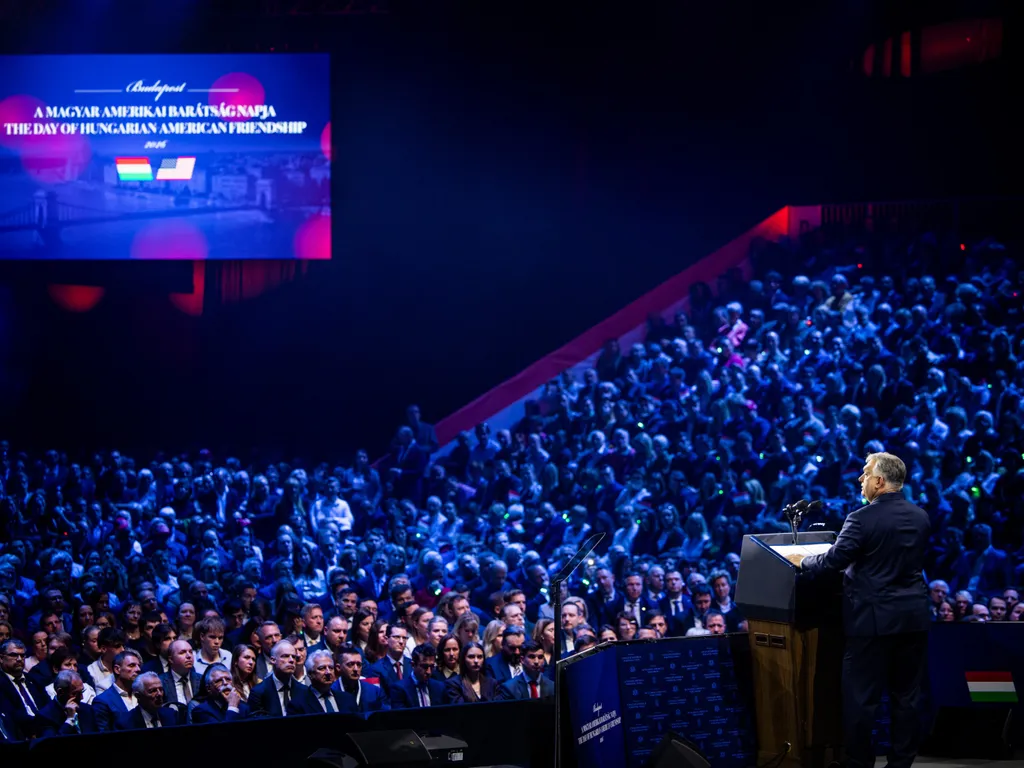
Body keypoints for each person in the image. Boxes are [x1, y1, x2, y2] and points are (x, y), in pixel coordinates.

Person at [794, 453, 930, 768]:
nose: (860, 478)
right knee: (906, 699)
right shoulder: (920, 516)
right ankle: (901, 763)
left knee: (860, 700)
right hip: (913, 618)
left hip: (872, 622)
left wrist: (803, 560)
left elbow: (833, 561)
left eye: (865, 473)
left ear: (880, 481)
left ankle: (858, 763)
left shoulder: (861, 518)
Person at [91, 649, 142, 731]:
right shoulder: (102, 701)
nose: (138, 669)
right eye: (132, 665)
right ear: (117, 669)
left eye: (138, 665)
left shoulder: (142, 694)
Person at [330, 645, 388, 714]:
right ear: (338, 667)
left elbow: (386, 715)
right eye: (350, 664)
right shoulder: (331, 691)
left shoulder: (374, 691)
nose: (355, 669)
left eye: (359, 664)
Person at [116, 672, 180, 729]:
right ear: (138, 696)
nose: (159, 694)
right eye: (153, 691)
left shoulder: (172, 715)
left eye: (161, 689)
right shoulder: (126, 723)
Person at [390, 644, 445, 709]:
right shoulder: (399, 689)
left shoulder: (440, 687)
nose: (429, 672)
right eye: (424, 667)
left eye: (432, 667)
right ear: (413, 665)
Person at [159, 639, 202, 707]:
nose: (189, 656)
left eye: (190, 652)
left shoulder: (201, 680)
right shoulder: (160, 682)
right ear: (171, 659)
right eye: (182, 652)